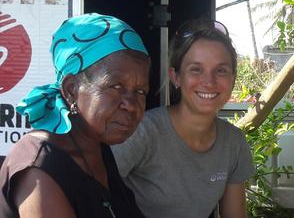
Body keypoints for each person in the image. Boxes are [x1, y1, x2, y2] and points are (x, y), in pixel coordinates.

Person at [0, 13, 151, 218]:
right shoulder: (39, 167)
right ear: (71, 89)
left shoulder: (97, 148)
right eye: (116, 86)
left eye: (140, 91)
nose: (131, 105)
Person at [112, 19, 255, 218]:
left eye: (221, 70)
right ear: (176, 77)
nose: (209, 82)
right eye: (196, 69)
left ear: (232, 79)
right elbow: (90, 196)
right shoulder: (143, 132)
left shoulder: (233, 143)